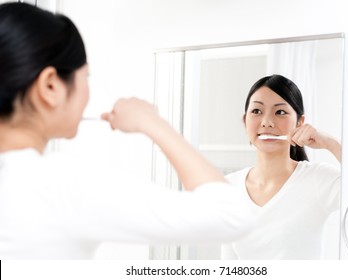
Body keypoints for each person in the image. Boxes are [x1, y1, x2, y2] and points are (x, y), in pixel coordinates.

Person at [0, 2, 257, 259]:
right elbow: (230, 214)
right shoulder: (57, 184)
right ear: (51, 87)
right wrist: (152, 123)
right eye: (85, 77)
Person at [221, 74, 341, 260]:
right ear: (245, 121)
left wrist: (331, 143)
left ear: (300, 122)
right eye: (257, 111)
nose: (267, 122)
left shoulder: (318, 180)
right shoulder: (229, 186)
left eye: (280, 112)